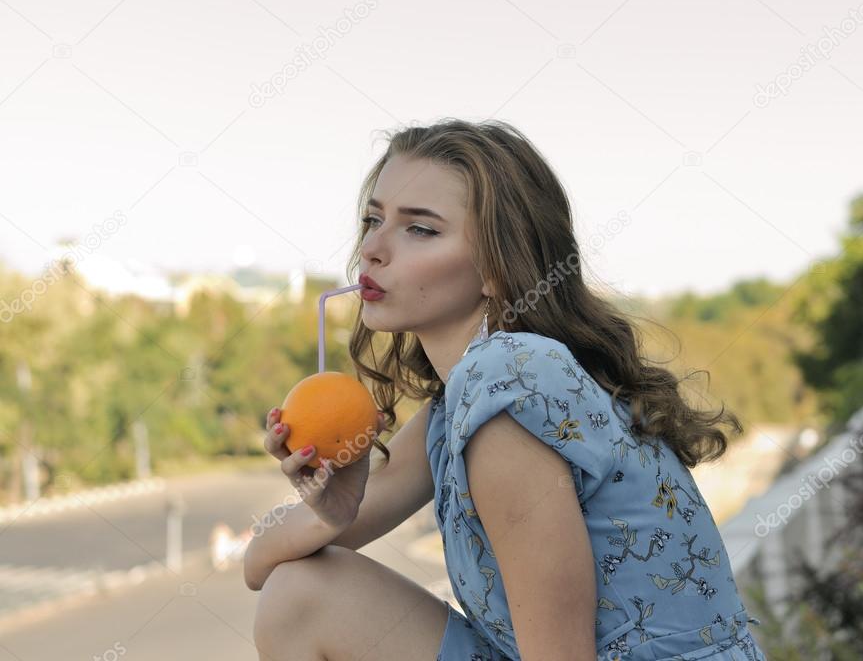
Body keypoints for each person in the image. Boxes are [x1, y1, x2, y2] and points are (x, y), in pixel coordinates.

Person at [246, 118, 767, 661]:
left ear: (498, 267)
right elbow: (260, 566)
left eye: (419, 229)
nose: (373, 248)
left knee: (299, 598)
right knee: (299, 596)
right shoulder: (460, 402)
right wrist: (335, 512)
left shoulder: (508, 393)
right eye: (372, 219)